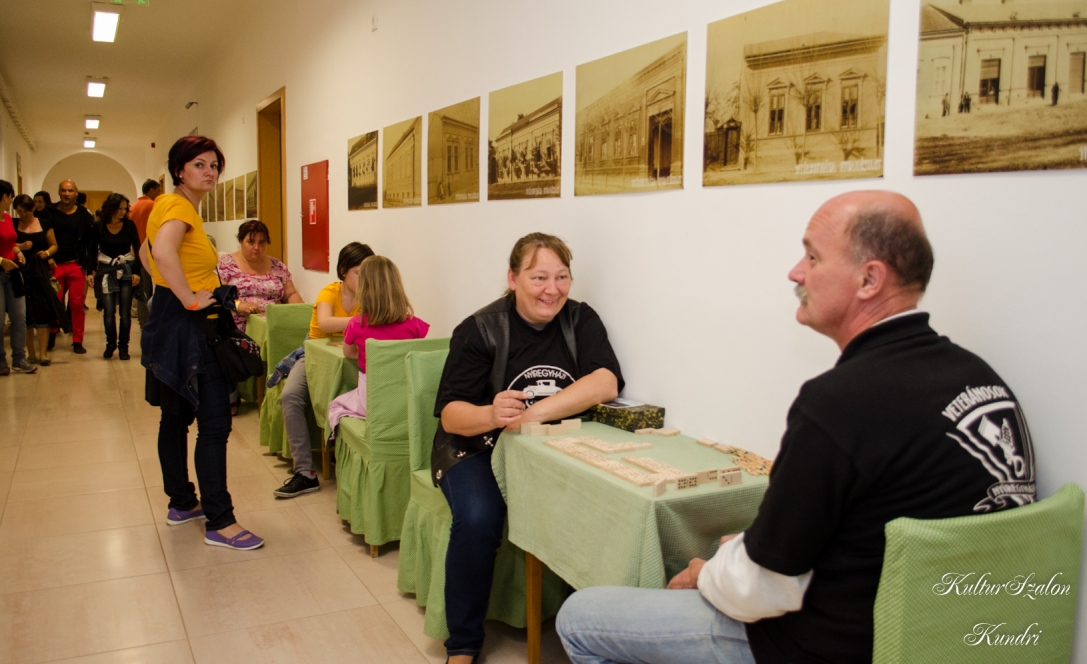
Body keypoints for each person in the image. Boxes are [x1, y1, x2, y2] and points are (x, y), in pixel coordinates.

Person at [556, 191, 1037, 664]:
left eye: (812, 256)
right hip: (953, 638)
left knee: (581, 618)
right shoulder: (982, 379)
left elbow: (760, 590)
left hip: (831, 643)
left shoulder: (840, 402)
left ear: (869, 279)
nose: (795, 272)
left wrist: (708, 573)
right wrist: (752, 549)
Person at [433, 232, 624, 664]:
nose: (551, 290)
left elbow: (606, 382)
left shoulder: (580, 320)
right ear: (512, 278)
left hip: (549, 448)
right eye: (539, 278)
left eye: (562, 277)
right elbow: (451, 416)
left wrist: (533, 414)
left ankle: (589, 628)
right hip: (475, 448)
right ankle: (463, 644)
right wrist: (492, 414)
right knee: (479, 518)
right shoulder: (480, 328)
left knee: (602, 504)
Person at [140, 135, 263, 551]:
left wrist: (169, 289)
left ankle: (181, 503)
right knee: (214, 423)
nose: (209, 172)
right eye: (199, 164)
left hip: (168, 321)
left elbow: (146, 252)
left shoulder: (167, 204)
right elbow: (161, 252)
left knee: (175, 418)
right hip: (189, 325)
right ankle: (220, 522)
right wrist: (189, 298)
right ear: (179, 170)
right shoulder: (178, 208)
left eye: (214, 165)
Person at [272, 242, 373, 498]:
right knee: (290, 397)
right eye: (359, 273)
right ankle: (305, 472)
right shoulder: (330, 292)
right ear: (343, 271)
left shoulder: (369, 296)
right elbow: (326, 323)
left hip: (352, 360)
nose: (364, 279)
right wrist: (361, 322)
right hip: (314, 355)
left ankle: (348, 459)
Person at [326, 255, 430, 430]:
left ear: (363, 289)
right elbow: (417, 354)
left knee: (336, 404)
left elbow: (349, 353)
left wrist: (373, 355)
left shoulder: (356, 324)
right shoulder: (415, 324)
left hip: (372, 399)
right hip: (404, 399)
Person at [216, 219, 302, 333]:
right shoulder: (225, 263)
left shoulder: (277, 265)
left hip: (273, 327)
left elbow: (290, 294)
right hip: (238, 330)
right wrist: (239, 305)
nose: (256, 247)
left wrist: (300, 311)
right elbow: (218, 294)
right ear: (241, 241)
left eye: (261, 243)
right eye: (251, 242)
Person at [86, 193, 142, 359]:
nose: (123, 212)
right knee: (109, 311)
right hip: (106, 269)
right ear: (111, 209)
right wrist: (90, 272)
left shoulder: (129, 225)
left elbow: (138, 248)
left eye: (125, 209)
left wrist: (137, 272)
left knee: (125, 312)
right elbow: (92, 250)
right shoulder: (99, 226)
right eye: (120, 209)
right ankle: (110, 343)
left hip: (125, 269)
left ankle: (123, 346)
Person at [13, 194, 65, 365]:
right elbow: (6, 244)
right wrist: (20, 247)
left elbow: (54, 245)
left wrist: (47, 253)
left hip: (40, 270)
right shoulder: (14, 224)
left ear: (33, 209)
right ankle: (31, 353)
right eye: (19, 212)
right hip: (20, 271)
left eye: (26, 212)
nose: (23, 215)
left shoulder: (44, 224)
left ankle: (43, 353)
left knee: (43, 310)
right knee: (25, 313)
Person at [47, 179, 94, 353]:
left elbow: (90, 244)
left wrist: (90, 268)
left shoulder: (84, 215)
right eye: (64, 190)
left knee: (77, 304)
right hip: (54, 265)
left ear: (76, 193)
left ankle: (77, 340)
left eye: (70, 191)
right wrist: (47, 257)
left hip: (76, 265)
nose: (67, 194)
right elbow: (41, 237)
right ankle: (52, 334)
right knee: (54, 302)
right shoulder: (49, 212)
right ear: (59, 192)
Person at [0, 180, 36, 375]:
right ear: (5, 197)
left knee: (19, 317)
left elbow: (10, 243)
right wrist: (1, 261)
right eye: (10, 198)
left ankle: (19, 359)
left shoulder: (6, 218)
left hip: (13, 273)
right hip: (0, 272)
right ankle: (0, 361)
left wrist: (17, 251)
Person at [129, 178, 162, 327]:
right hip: (148, 252)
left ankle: (143, 320)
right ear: (151, 190)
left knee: (141, 288)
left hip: (135, 252)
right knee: (149, 289)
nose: (159, 194)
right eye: (158, 191)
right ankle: (148, 321)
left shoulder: (133, 207)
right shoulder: (152, 205)